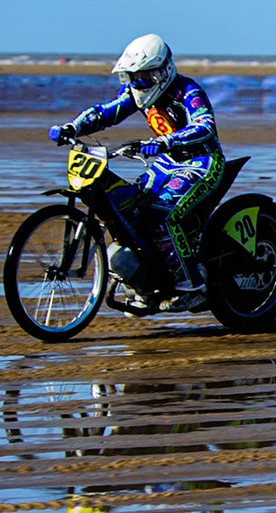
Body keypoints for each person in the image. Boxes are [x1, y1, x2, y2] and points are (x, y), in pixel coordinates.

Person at [47, 34, 221, 312]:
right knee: (131, 212)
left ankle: (190, 285)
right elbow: (108, 112)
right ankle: (147, 284)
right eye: (132, 77)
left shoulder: (188, 90)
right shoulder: (136, 94)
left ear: (162, 71)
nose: (137, 83)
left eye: (143, 76)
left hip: (201, 164)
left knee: (162, 215)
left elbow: (205, 126)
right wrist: (73, 127)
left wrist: (165, 142)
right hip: (165, 165)